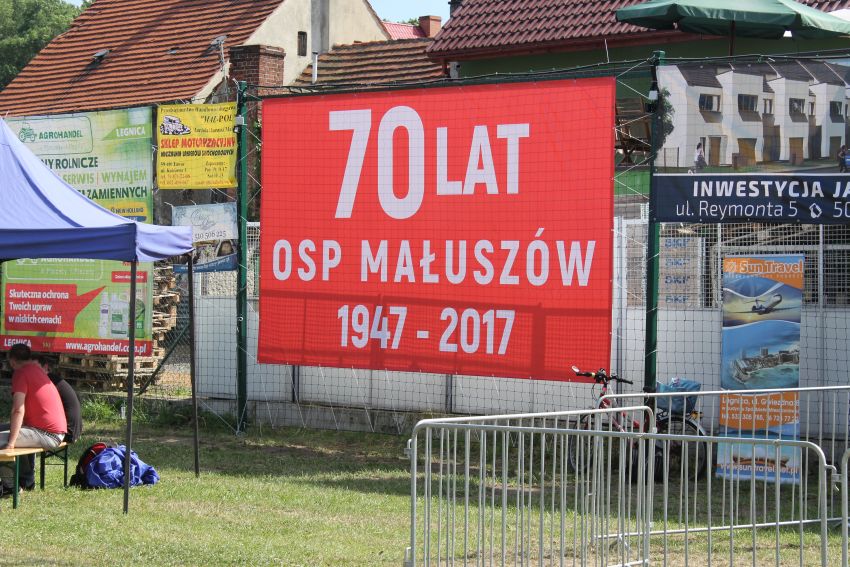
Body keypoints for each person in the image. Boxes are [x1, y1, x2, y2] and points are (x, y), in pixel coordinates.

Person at [0, 344, 67, 496]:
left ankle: (10, 486)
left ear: (12, 361)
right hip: (53, 431)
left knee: (5, 441)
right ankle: (25, 480)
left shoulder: (21, 373)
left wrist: (10, 443)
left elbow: (18, 410)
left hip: (47, 434)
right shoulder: (36, 370)